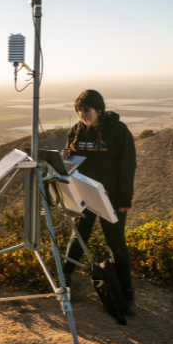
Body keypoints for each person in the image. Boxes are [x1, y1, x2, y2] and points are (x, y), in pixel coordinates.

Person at [61, 89, 137, 315]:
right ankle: (64, 281)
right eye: (79, 111)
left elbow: (128, 165)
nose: (82, 115)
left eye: (86, 111)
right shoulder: (77, 130)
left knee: (116, 244)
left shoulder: (118, 130)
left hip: (111, 197)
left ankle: (128, 292)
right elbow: (76, 162)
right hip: (85, 194)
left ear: (99, 109)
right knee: (79, 237)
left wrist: (125, 199)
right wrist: (67, 157)